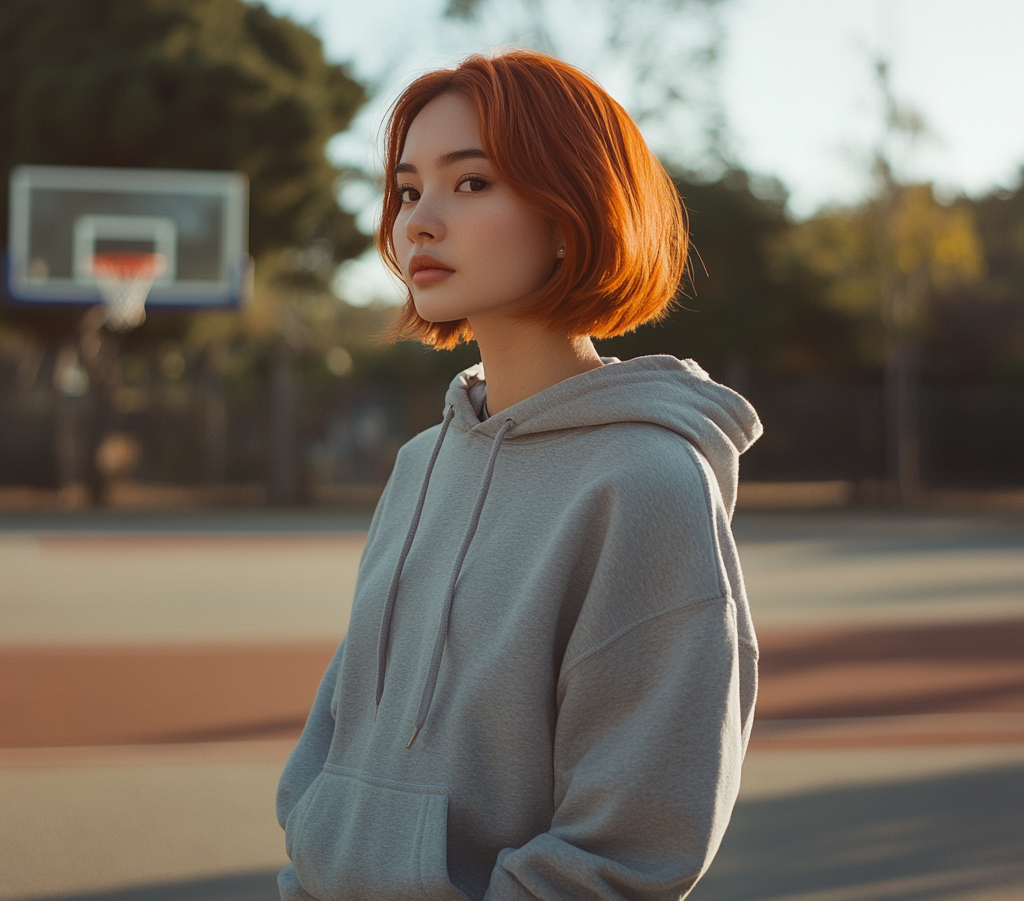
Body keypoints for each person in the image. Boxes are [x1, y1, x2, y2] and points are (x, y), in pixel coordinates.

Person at [276, 50, 762, 901]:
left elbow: (631, 845)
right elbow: (337, 741)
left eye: (471, 184)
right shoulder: (421, 465)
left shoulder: (647, 479)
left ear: (573, 211)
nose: (420, 220)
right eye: (407, 189)